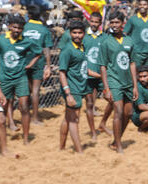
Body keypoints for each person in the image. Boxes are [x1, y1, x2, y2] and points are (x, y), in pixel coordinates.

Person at [0, 14, 42, 144]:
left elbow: (38, 52)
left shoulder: (27, 41)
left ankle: (25, 138)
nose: (17, 30)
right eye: (14, 27)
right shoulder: (0, 40)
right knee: (3, 106)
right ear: (9, 27)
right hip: (5, 79)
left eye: (20, 28)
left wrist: (30, 64)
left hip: (21, 78)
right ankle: (4, 133)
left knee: (24, 106)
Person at [98, 10, 138, 153]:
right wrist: (106, 88)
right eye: (112, 22)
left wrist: (135, 86)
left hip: (128, 82)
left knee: (128, 113)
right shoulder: (106, 42)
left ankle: (116, 139)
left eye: (117, 22)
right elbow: (102, 66)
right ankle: (119, 146)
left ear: (123, 24)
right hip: (114, 81)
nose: (114, 25)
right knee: (119, 112)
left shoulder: (129, 41)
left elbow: (132, 63)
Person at [59, 20, 96, 153]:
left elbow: (84, 69)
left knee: (68, 119)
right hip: (71, 88)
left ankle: (62, 147)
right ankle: (79, 150)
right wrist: (68, 94)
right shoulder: (67, 50)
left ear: (84, 34)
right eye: (74, 32)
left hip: (80, 86)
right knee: (74, 119)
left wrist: (101, 75)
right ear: (70, 33)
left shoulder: (82, 48)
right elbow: (62, 72)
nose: (77, 35)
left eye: (80, 33)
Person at [23, 4, 53, 125]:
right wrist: (48, 65)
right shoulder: (44, 30)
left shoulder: (23, 27)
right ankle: (35, 118)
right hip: (38, 61)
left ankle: (25, 116)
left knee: (26, 90)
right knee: (35, 90)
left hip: (24, 61)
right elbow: (46, 49)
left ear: (29, 15)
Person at [83, 11, 106, 141]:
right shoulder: (84, 36)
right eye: (92, 21)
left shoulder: (105, 37)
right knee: (90, 104)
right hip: (88, 76)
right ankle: (93, 132)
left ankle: (102, 123)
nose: (94, 24)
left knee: (113, 101)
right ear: (89, 21)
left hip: (101, 76)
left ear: (100, 23)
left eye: (97, 22)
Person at [124, 0, 148, 67]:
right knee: (136, 74)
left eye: (145, 4)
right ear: (138, 6)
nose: (142, 6)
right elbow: (125, 34)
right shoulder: (133, 19)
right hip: (136, 53)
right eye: (140, 4)